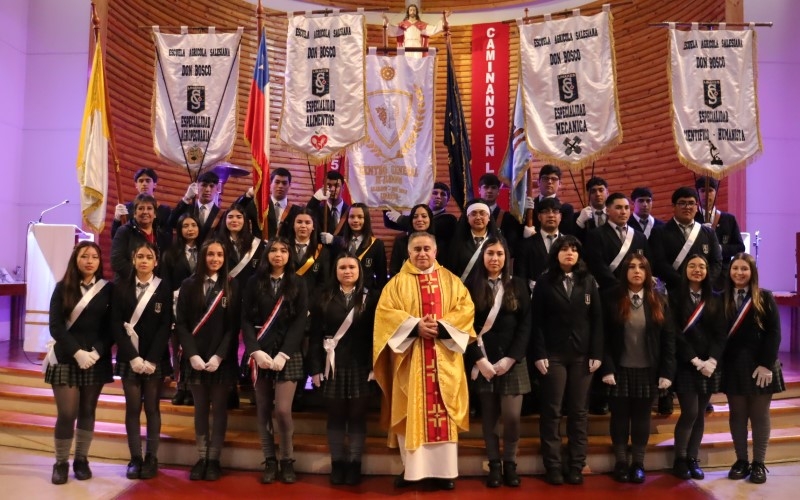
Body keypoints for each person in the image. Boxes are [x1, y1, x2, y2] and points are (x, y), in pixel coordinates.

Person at [373, 232, 476, 490]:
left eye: (426, 248)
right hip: (410, 361)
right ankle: (412, 470)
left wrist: (440, 327)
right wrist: (414, 325)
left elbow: (466, 311)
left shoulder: (452, 282)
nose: (422, 253)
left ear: (435, 251)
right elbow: (385, 316)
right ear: (408, 252)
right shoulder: (396, 284)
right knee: (410, 412)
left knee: (442, 413)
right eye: (416, 249)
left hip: (443, 359)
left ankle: (445, 472)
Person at [530, 235, 603, 485]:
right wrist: (539, 353)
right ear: (556, 254)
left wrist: (596, 352)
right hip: (553, 355)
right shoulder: (544, 281)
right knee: (551, 411)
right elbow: (536, 321)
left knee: (579, 412)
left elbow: (597, 320)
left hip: (582, 356)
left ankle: (576, 464)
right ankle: (553, 465)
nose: (569, 253)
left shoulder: (589, 280)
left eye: (574, 249)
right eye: (564, 249)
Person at [599, 254, 675, 484]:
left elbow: (668, 339)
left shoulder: (658, 299)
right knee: (620, 418)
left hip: (648, 370)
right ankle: (621, 462)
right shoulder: (612, 298)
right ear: (625, 272)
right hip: (619, 369)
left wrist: (666, 372)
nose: (636, 271)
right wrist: (607, 368)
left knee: (642, 418)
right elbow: (602, 337)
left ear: (647, 273)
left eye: (641, 267)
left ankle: (638, 463)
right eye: (631, 267)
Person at [241, 237, 309, 485]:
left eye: (283, 250)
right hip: (261, 351)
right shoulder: (253, 282)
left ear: (289, 256)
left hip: (287, 354)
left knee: (282, 410)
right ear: (266, 254)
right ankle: (269, 460)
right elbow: (246, 320)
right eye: (273, 251)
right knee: (262, 409)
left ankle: (287, 460)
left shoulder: (298, 283)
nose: (278, 254)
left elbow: (301, 321)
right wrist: (254, 351)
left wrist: (284, 354)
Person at [45, 241, 113, 485]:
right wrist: (77, 352)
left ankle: (81, 460)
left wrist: (97, 351)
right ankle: (61, 462)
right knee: (67, 413)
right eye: (85, 256)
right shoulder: (62, 288)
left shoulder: (107, 290)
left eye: (94, 256)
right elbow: (55, 326)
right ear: (76, 259)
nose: (89, 261)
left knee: (87, 412)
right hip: (66, 358)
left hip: (96, 359)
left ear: (99, 261)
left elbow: (111, 328)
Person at [464, 237, 531, 488]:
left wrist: (511, 358)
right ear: (483, 257)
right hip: (484, 360)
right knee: (489, 417)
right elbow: (465, 325)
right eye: (490, 253)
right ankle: (494, 464)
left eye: (500, 254)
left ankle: (510, 463)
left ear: (507, 258)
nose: (495, 258)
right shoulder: (471, 286)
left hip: (512, 361)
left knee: (512, 417)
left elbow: (526, 324)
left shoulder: (519, 284)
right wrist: (479, 359)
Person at [308, 254, 378, 486]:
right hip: (333, 366)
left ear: (359, 271)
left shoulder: (371, 298)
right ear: (335, 271)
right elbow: (315, 334)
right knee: (336, 416)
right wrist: (316, 368)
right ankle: (337, 463)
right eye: (342, 267)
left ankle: (354, 464)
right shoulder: (323, 296)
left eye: (352, 267)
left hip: (361, 364)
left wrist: (375, 365)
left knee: (357, 417)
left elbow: (376, 335)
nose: (347, 271)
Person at [175, 238, 240, 481]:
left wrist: (218, 356)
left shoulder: (232, 285)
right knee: (200, 409)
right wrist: (191, 354)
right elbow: (180, 323)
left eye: (219, 255)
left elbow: (232, 328)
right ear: (203, 257)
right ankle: (201, 457)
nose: (215, 259)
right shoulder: (188, 284)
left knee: (220, 410)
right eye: (210, 254)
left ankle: (214, 459)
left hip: (220, 360)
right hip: (195, 359)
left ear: (225, 259)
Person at [722, 253, 784, 484]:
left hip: (761, 365)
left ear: (752, 272)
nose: (739, 273)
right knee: (737, 415)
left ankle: (759, 462)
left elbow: (774, 333)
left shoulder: (764, 297)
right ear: (729, 271)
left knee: (759, 415)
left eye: (744, 269)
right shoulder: (722, 298)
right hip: (734, 365)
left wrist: (766, 364)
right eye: (735, 268)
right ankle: (741, 461)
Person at [111, 241, 172, 480]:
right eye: (140, 256)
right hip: (130, 357)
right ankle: (135, 457)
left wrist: (152, 359)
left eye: (149, 257)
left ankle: (151, 457)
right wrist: (133, 357)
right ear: (133, 260)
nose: (144, 261)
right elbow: (115, 324)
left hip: (154, 358)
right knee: (133, 408)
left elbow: (166, 325)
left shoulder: (164, 287)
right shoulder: (120, 286)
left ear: (156, 261)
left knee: (152, 408)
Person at [670, 254, 726, 481]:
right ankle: (680, 459)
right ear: (685, 270)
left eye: (702, 266)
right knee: (690, 411)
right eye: (692, 266)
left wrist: (711, 360)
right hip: (686, 364)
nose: (697, 270)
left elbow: (721, 333)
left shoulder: (715, 299)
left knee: (701, 414)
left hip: (709, 366)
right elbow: (673, 333)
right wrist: (694, 359)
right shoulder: (674, 297)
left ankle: (693, 458)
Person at [217, 203, 265, 409]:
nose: (234, 220)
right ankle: (229, 388)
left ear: (246, 221)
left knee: (252, 342)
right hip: (223, 300)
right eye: (230, 217)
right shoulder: (215, 243)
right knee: (227, 343)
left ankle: (250, 380)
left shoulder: (258, 245)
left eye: (238, 217)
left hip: (250, 300)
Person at [160, 213, 200, 406]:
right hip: (177, 307)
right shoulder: (170, 253)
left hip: (202, 309)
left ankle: (193, 388)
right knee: (178, 349)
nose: (190, 229)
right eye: (186, 226)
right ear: (179, 229)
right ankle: (180, 387)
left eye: (193, 225)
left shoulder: (207, 251)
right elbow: (165, 284)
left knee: (196, 348)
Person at [584, 193, 649, 291]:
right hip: (609, 291)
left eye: (626, 208)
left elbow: (647, 264)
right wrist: (618, 286)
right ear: (607, 210)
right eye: (618, 208)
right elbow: (597, 266)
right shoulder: (595, 235)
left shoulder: (640, 237)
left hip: (636, 290)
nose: (623, 212)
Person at [694, 176, 745, 290]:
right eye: (702, 191)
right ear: (697, 193)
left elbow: (740, 247)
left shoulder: (728, 219)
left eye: (710, 191)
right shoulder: (692, 218)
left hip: (722, 276)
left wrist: (719, 248)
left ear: (716, 193)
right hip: (697, 274)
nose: (706, 195)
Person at [111, 193, 173, 282]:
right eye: (141, 208)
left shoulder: (161, 236)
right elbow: (117, 261)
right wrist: (141, 277)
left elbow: (164, 266)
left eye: (149, 208)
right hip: (128, 286)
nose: (145, 212)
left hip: (153, 287)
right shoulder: (123, 231)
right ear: (135, 214)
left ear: (155, 214)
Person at [384, 182, 457, 257]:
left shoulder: (449, 219)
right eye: (434, 193)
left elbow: (428, 227)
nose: (438, 196)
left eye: (443, 194)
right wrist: (386, 204)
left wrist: (400, 218)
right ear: (428, 196)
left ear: (448, 200)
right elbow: (390, 223)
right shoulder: (418, 216)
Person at [514, 197, 563, 295]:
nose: (551, 215)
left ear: (560, 216)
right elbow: (520, 278)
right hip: (535, 299)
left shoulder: (568, 243)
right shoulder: (526, 245)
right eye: (546, 212)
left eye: (555, 211)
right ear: (539, 217)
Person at [236, 167, 302, 239]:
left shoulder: (297, 211)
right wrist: (248, 195)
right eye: (277, 182)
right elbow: (235, 211)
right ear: (270, 184)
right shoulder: (258, 206)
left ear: (290, 185)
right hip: (260, 249)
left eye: (284, 183)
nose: (280, 186)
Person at [336, 203, 388, 292]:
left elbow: (381, 277)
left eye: (360, 217)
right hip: (341, 295)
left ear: (366, 219)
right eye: (352, 217)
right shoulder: (338, 243)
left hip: (367, 296)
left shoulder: (376, 244)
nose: (355, 220)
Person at [112, 168, 172, 239]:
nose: (144, 184)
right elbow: (115, 237)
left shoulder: (164, 210)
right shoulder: (126, 208)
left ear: (155, 184)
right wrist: (116, 220)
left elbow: (168, 237)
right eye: (141, 181)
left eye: (148, 181)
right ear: (136, 185)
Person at [447, 199, 499, 281]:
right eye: (473, 214)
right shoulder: (457, 242)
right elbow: (451, 271)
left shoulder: (498, 241)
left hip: (490, 289)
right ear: (467, 218)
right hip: (464, 290)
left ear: (489, 217)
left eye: (482, 213)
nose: (478, 217)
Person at [169, 171, 221, 243]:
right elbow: (171, 222)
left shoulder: (220, 214)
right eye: (204, 185)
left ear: (217, 189)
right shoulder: (188, 208)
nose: (207, 190)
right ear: (197, 186)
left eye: (211, 186)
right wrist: (186, 198)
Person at [478, 173, 523, 256]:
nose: (489, 191)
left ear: (498, 191)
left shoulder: (508, 217)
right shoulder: (471, 216)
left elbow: (512, 247)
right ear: (479, 190)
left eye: (493, 187)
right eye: (486, 187)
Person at [524, 164, 575, 236]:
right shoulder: (529, 206)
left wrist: (534, 236)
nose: (549, 182)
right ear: (538, 182)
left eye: (554, 179)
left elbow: (566, 236)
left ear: (560, 183)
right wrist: (523, 212)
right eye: (545, 178)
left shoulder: (565, 209)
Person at [382, 4, 450, 54]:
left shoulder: (420, 24)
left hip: (417, 45)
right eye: (411, 10)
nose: (412, 11)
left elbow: (433, 30)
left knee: (417, 63)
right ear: (408, 12)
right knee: (407, 63)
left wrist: (443, 19)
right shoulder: (403, 24)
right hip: (407, 44)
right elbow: (393, 31)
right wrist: (386, 21)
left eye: (414, 10)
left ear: (416, 12)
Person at [390, 203, 435, 276]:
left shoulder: (438, 241)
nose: (419, 219)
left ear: (430, 219)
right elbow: (394, 271)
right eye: (415, 217)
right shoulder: (401, 241)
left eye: (424, 216)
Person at [307, 170, 349, 243]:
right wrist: (315, 199)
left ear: (343, 187)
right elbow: (306, 216)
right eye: (329, 185)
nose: (332, 189)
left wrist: (334, 240)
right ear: (324, 187)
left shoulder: (350, 211)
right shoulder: (317, 209)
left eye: (336, 186)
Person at [574, 176, 609, 241]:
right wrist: (580, 223)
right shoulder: (578, 217)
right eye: (593, 191)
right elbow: (575, 241)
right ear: (588, 194)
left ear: (607, 192)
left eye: (601, 190)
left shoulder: (614, 213)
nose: (598, 194)